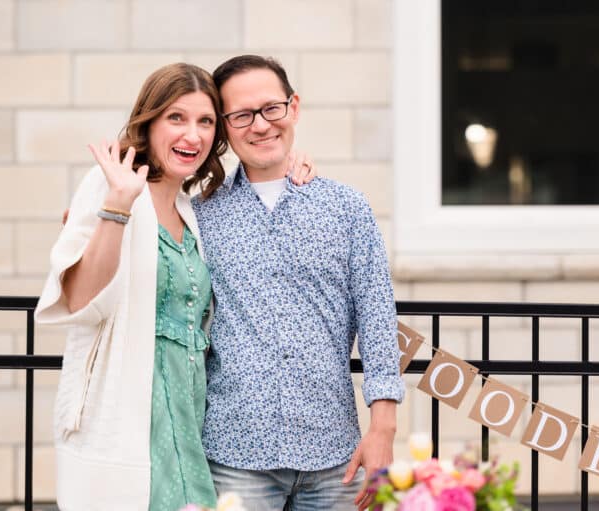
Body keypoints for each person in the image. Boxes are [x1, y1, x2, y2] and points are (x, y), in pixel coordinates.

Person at [34, 63, 315, 511]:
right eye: (177, 118)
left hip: (188, 415)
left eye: (205, 121)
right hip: (129, 410)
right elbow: (82, 300)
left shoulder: (193, 210)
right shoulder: (113, 183)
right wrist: (117, 206)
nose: (193, 135)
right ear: (150, 122)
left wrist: (290, 165)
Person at [193, 55, 405, 511]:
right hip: (235, 454)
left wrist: (382, 429)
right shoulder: (200, 215)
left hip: (336, 454)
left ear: (294, 107)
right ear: (225, 129)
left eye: (271, 108)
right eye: (242, 115)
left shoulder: (346, 208)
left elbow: (376, 316)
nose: (261, 125)